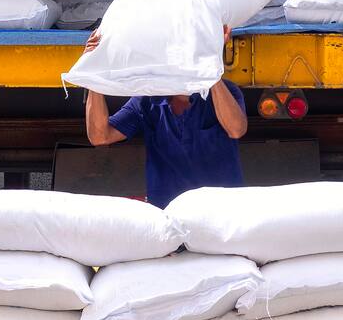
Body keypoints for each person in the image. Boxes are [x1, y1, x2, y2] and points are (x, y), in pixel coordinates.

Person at [82, 27, 248, 208]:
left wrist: (211, 69)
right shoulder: (146, 101)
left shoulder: (224, 92)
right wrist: (93, 76)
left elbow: (236, 129)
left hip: (222, 211)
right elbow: (100, 136)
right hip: (170, 214)